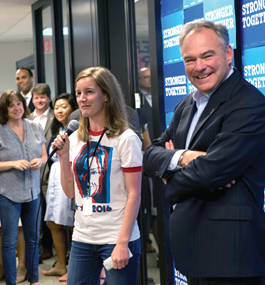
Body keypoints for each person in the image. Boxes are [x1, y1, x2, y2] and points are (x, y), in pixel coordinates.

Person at [143, 20, 265, 285]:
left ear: (228, 53)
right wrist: (184, 157)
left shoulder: (249, 103)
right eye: (190, 59)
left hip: (231, 256)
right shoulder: (187, 104)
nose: (199, 66)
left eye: (208, 55)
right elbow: (150, 155)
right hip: (193, 249)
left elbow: (211, 172)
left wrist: (169, 180)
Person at [52, 66, 142, 285]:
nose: (82, 99)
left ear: (106, 96)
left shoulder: (125, 138)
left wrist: (122, 242)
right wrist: (63, 158)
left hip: (117, 237)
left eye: (89, 92)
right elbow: (71, 192)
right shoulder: (74, 139)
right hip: (83, 237)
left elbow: (134, 194)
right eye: (79, 93)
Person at [0, 89, 47, 285]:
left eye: (19, 103)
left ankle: (34, 281)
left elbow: (45, 155)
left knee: (34, 240)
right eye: (11, 105)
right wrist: (13, 164)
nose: (16, 108)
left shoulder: (35, 126)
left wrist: (40, 161)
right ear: (4, 109)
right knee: (10, 243)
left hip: (33, 192)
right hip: (8, 194)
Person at [43, 93, 77, 281]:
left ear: (73, 108)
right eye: (56, 107)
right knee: (52, 222)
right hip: (54, 181)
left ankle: (74, 265)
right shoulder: (56, 130)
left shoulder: (78, 129)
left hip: (69, 177)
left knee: (72, 222)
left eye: (63, 106)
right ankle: (60, 264)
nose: (59, 110)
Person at [29, 83, 54, 261]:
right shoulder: (27, 118)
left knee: (52, 212)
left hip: (51, 170)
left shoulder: (56, 117)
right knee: (34, 212)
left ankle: (50, 248)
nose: (39, 100)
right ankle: (38, 250)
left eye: (42, 97)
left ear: (49, 98)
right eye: (36, 97)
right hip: (31, 171)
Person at [137, 67, 158, 255]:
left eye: (152, 76)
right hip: (146, 158)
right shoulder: (137, 103)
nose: (150, 80)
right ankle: (145, 240)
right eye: (146, 77)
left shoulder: (162, 95)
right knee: (146, 203)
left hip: (162, 150)